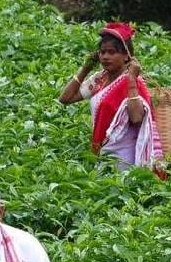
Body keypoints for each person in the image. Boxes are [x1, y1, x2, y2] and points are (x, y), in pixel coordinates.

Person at [58, 22, 165, 175]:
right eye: (102, 52)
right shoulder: (100, 79)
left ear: (126, 56)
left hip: (124, 161)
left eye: (112, 52)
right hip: (103, 156)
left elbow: (137, 118)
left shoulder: (134, 82)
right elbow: (65, 98)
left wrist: (132, 80)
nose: (106, 57)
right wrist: (86, 68)